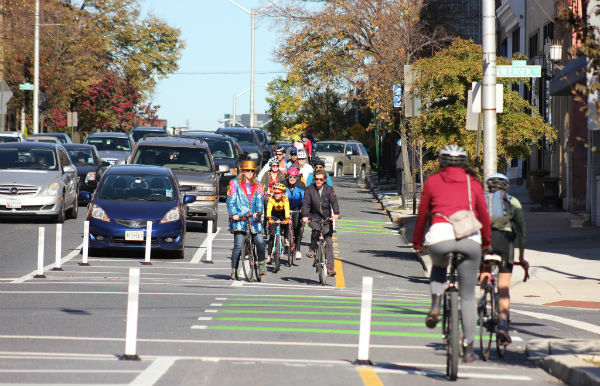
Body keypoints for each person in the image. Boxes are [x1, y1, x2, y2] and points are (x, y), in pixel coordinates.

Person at [411, 145, 491, 364]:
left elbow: (422, 215)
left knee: (438, 267)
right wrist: (486, 243)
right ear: (463, 162)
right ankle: (468, 348)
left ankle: (436, 304)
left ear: (441, 161)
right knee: (467, 296)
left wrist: (417, 242)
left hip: (439, 237)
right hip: (469, 240)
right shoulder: (472, 183)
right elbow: (483, 215)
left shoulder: (432, 181)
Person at [480, 173, 529, 346]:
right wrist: (522, 259)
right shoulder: (513, 202)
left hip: (485, 240)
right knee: (503, 288)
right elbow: (522, 232)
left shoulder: (482, 200)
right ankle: (502, 324)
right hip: (505, 242)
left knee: (485, 269)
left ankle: (482, 298)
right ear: (506, 187)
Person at [226, 160, 267, 279]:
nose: (249, 173)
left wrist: (258, 212)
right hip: (239, 218)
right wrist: (234, 214)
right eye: (247, 170)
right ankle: (234, 270)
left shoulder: (258, 185)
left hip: (253, 219)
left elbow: (259, 200)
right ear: (242, 171)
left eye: (252, 171)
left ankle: (261, 266)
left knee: (260, 241)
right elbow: (230, 201)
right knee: (238, 245)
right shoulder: (234, 183)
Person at [302, 169, 340, 277]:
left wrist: (336, 213)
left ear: (324, 180)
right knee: (316, 230)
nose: (318, 181)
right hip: (314, 216)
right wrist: (305, 215)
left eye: (321, 179)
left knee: (329, 242)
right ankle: (312, 248)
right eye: (316, 179)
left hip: (326, 218)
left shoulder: (329, 189)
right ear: (314, 179)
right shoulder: (310, 189)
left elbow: (334, 202)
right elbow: (305, 204)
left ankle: (330, 267)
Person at [284, 167, 306, 260]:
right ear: (287, 177)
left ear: (297, 177)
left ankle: (297, 250)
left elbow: (306, 200)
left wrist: (303, 210)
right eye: (290, 177)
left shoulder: (301, 185)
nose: (292, 179)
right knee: (283, 221)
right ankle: (285, 237)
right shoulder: (283, 184)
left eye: (294, 177)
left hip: (298, 207)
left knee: (298, 228)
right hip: (285, 206)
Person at [265, 183, 291, 262]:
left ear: (282, 193)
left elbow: (287, 209)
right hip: (274, 215)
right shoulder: (271, 199)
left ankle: (286, 238)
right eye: (275, 193)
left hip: (283, 215)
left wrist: (287, 218)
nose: (276, 195)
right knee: (272, 235)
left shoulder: (285, 199)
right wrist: (269, 218)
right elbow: (269, 209)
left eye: (278, 193)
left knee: (287, 224)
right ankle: (269, 256)